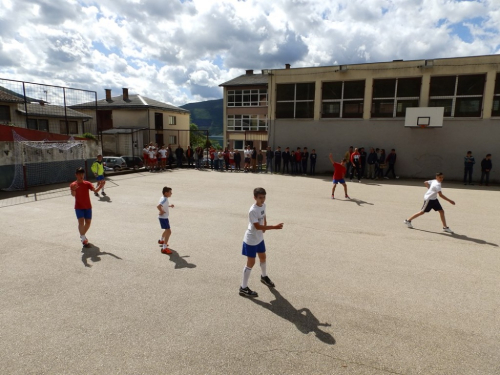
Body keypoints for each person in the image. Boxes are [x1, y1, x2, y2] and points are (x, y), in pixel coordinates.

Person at [239, 187, 284, 297]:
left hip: (259, 238)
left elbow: (263, 215)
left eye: (264, 197)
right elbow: (257, 226)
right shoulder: (252, 210)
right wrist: (274, 227)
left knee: (263, 257)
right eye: (260, 198)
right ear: (255, 198)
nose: (262, 200)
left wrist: (266, 223)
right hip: (251, 239)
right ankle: (243, 287)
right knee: (251, 262)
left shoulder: (263, 205)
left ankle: (264, 277)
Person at [70, 167, 102, 246]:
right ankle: (83, 239)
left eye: (82, 174)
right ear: (76, 175)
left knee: (88, 223)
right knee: (81, 222)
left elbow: (95, 191)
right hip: (78, 207)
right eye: (80, 174)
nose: (81, 175)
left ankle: (82, 235)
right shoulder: (73, 184)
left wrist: (100, 186)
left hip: (88, 206)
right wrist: (73, 190)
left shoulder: (87, 183)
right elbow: (73, 195)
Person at [157, 186, 174, 254]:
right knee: (169, 231)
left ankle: (161, 240)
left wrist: (169, 206)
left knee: (166, 230)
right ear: (166, 193)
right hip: (163, 218)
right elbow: (158, 206)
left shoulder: (164, 198)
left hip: (164, 217)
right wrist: (161, 211)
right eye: (170, 192)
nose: (171, 193)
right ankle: (164, 248)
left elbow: (163, 205)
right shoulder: (164, 199)